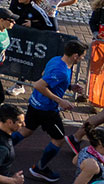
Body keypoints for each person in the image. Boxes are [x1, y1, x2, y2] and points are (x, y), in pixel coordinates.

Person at [19, 39, 88, 183]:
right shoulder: (62, 71)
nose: (83, 58)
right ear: (75, 56)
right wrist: (60, 100)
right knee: (58, 140)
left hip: (34, 103)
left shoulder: (56, 60)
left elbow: (46, 74)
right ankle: (40, 168)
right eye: (82, 56)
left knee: (26, 130)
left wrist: (69, 86)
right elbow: (38, 85)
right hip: (47, 109)